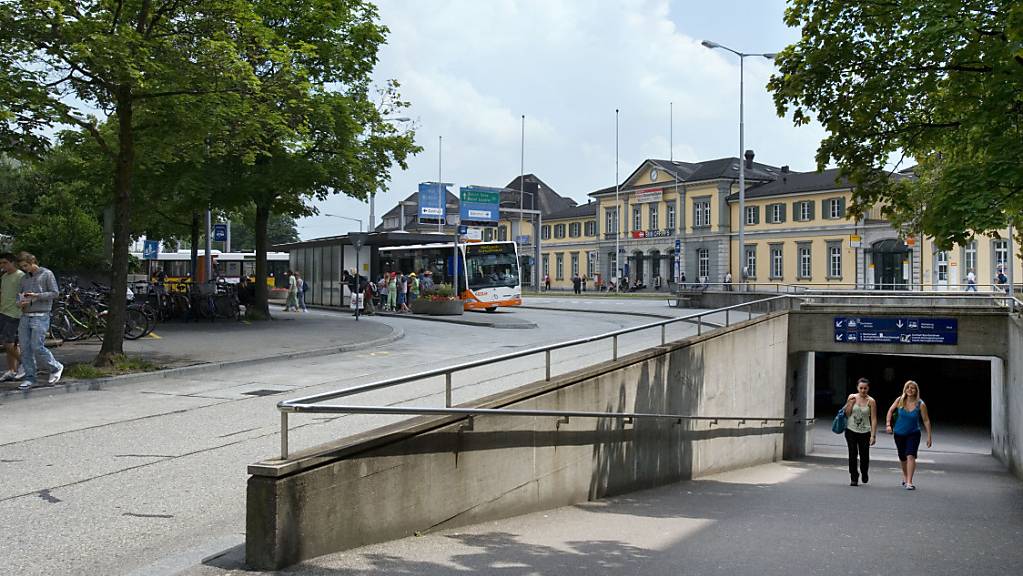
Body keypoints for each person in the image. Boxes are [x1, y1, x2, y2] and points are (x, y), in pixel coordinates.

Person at [14, 252, 63, 390]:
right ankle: (30, 377)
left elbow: (55, 293)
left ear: (32, 262)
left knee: (37, 346)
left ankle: (55, 367)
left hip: (41, 314)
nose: (25, 269)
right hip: (26, 315)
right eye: (22, 267)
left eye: (26, 265)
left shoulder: (46, 274)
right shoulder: (24, 278)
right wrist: (20, 302)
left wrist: (37, 296)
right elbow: (19, 297)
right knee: (25, 348)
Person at [886, 380, 933, 490]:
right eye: (908, 387)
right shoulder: (900, 400)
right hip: (899, 433)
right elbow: (890, 411)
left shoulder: (920, 404)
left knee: (910, 455)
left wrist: (929, 436)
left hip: (913, 433)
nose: (910, 390)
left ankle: (909, 482)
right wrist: (888, 424)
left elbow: (926, 420)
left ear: (916, 390)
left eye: (913, 388)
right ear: (905, 389)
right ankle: (905, 476)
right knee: (902, 457)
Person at [842, 377, 877, 486]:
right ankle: (854, 477)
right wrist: (851, 404)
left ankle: (864, 472)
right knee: (852, 454)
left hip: (865, 431)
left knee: (864, 455)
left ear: (868, 388)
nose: (863, 390)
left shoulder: (871, 401)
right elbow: (847, 414)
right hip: (851, 430)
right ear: (857, 388)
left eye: (865, 388)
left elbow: (874, 419)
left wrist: (873, 435)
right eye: (861, 388)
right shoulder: (852, 397)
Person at [0, 253, 25, 383]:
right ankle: (12, 370)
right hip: (3, 311)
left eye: (5, 263)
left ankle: (25, 364)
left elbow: (24, 294)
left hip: (14, 313)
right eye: (1, 263)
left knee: (6, 341)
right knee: (11, 343)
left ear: (12, 262)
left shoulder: (20, 276)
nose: (2, 266)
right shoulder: (4, 276)